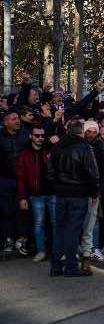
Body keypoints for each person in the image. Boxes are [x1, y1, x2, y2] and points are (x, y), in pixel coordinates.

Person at [48, 120, 99, 277]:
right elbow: (92, 173)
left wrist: (57, 187)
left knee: (59, 229)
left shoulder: (57, 147)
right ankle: (71, 266)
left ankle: (56, 266)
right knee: (72, 230)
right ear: (81, 132)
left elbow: (49, 172)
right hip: (78, 194)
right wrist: (94, 193)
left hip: (61, 194)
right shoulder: (85, 148)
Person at [16, 126, 55, 262]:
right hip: (35, 194)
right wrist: (22, 197)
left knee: (56, 223)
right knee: (39, 224)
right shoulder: (24, 154)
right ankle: (41, 250)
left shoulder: (49, 151)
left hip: (52, 193)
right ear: (31, 136)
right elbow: (21, 177)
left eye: (42, 136)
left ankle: (58, 251)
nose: (40, 138)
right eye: (37, 135)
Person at [79, 120, 104, 264]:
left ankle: (93, 249)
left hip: (94, 190)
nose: (91, 134)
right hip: (79, 189)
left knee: (94, 221)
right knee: (78, 220)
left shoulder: (100, 146)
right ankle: (79, 249)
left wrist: (101, 189)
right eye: (88, 131)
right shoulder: (79, 145)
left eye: (94, 131)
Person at [0, 110, 30, 253]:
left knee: (22, 210)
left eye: (18, 118)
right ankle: (7, 240)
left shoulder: (25, 135)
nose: (17, 121)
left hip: (22, 180)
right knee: (6, 211)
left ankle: (21, 241)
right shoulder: (0, 137)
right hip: (4, 180)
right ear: (5, 122)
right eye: (13, 119)